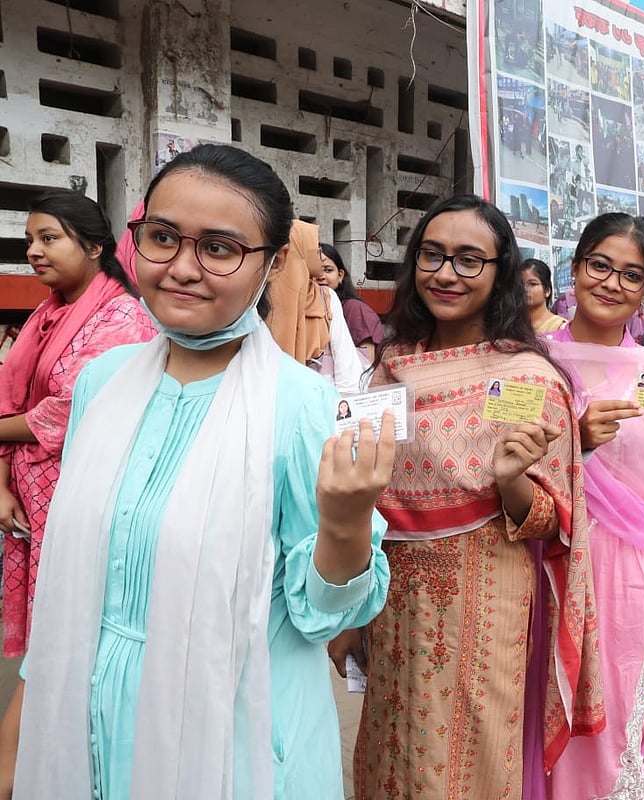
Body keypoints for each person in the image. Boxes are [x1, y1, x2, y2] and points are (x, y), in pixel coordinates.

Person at [0, 144, 393, 798]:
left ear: (269, 265)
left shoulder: (302, 408)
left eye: (219, 248)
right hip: (89, 732)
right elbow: (77, 579)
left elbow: (324, 619)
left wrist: (347, 525)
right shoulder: (104, 383)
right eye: (162, 238)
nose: (182, 267)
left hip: (235, 746)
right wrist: (18, 732)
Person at [337, 196, 602, 800]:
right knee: (389, 747)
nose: (446, 273)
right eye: (432, 255)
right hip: (388, 598)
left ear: (500, 271)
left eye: (468, 259)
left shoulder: (528, 379)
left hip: (483, 603)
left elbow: (552, 523)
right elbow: (358, 495)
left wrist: (510, 479)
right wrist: (348, 616)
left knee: (468, 760)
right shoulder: (390, 366)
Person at [545, 214, 644, 798]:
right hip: (546, 560)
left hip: (629, 570)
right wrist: (573, 443)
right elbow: (493, 462)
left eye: (631, 275)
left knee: (611, 710)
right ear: (577, 266)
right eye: (600, 266)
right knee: (544, 699)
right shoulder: (532, 363)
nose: (611, 283)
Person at [0, 190, 157, 659]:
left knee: (82, 631)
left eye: (49, 238)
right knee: (49, 638)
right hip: (31, 504)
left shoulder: (124, 317)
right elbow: (13, 399)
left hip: (82, 500)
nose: (33, 250)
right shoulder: (47, 315)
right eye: (30, 239)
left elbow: (71, 409)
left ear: (93, 247)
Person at [265, 222, 362, 394]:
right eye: (314, 247)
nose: (321, 255)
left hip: (321, 405)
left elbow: (347, 370)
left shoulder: (326, 297)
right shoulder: (260, 299)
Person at [318, 243, 384, 363]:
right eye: (315, 271)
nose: (321, 276)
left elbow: (366, 363)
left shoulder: (354, 309)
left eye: (328, 270)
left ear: (340, 275)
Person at [521, 257, 569, 334]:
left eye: (533, 284)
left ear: (547, 291)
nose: (525, 289)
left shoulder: (560, 327)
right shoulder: (512, 326)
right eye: (520, 284)